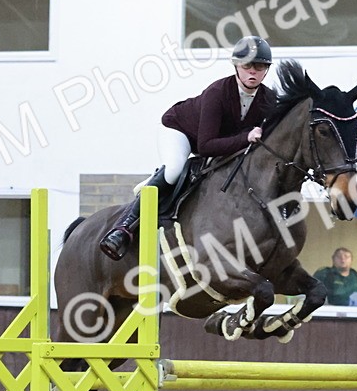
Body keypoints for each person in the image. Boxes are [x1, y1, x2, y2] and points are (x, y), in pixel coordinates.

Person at [98, 35, 278, 261]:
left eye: (260, 67)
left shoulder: (268, 98)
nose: (253, 72)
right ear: (236, 66)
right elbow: (205, 145)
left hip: (219, 142)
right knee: (174, 170)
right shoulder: (218, 92)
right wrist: (246, 137)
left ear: (266, 70)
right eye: (247, 65)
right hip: (180, 131)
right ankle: (122, 228)